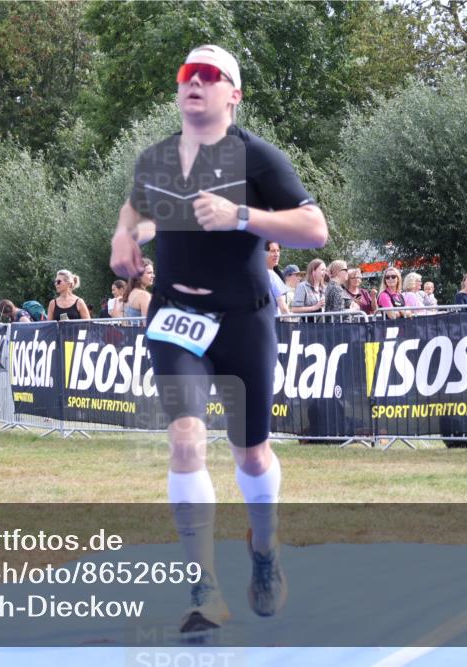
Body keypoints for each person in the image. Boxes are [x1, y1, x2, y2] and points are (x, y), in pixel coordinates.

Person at [109, 44, 327, 633]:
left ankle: (265, 547)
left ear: (234, 94)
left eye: (210, 75)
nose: (195, 82)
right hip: (175, 316)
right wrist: (124, 236)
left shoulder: (258, 157)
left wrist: (241, 216)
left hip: (244, 319)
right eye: (187, 74)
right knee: (185, 440)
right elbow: (138, 209)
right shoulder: (159, 157)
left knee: (250, 453)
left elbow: (315, 229)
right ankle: (203, 588)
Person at [265, 241, 291, 315]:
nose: (277, 254)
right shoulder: (271, 275)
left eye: (278, 251)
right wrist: (289, 321)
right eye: (272, 251)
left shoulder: (274, 275)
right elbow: (283, 308)